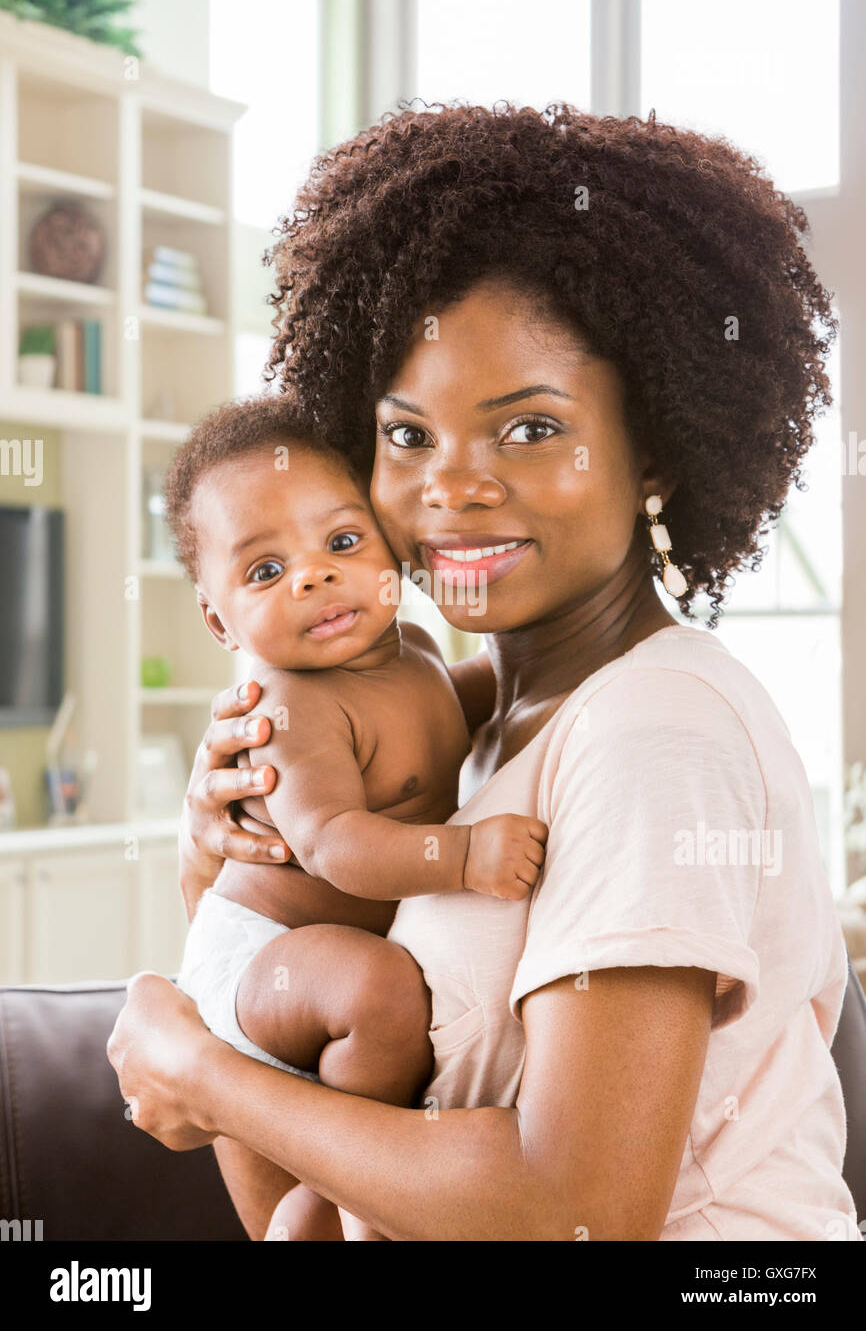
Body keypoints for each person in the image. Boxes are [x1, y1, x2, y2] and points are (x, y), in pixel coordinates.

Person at [109, 102, 859, 1240]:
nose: (448, 488)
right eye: (407, 436)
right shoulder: (473, 720)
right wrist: (215, 867)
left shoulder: (654, 731)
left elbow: (578, 1210)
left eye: (526, 430)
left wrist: (201, 1072)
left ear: (652, 444)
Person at [164, 394, 546, 1239]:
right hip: (259, 964)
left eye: (341, 543)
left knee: (377, 995)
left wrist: (538, 668)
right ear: (217, 617)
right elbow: (335, 845)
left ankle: (338, 1195)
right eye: (266, 571)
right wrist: (463, 856)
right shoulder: (289, 708)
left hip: (317, 971)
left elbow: (459, 703)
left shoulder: (411, 651)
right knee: (380, 990)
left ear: (389, 546)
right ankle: (352, 1189)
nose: (313, 576)